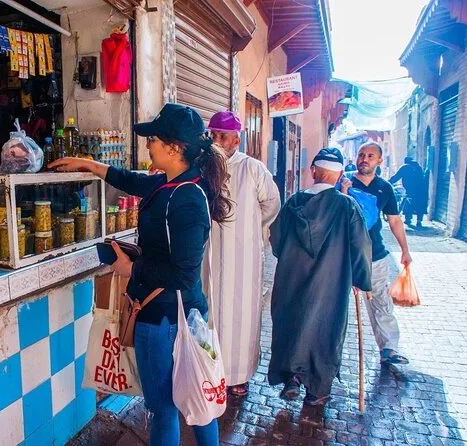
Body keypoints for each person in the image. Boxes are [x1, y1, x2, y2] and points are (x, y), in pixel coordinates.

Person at [49, 103, 232, 446]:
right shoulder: (173, 182)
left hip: (165, 318)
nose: (147, 145)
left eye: (153, 140)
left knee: (164, 409)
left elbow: (184, 273)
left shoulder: (186, 198)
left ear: (174, 148)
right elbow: (131, 181)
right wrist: (89, 165)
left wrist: (130, 267)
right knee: (198, 398)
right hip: (178, 313)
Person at [268, 148, 372, 406]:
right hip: (331, 282)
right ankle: (317, 391)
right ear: (339, 175)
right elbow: (361, 245)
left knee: (291, 322)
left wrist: (290, 257)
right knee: (325, 329)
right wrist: (361, 279)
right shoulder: (346, 206)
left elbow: (276, 239)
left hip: (291, 278)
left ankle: (292, 377)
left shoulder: (294, 202)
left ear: (313, 171)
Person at [206, 111, 280, 397]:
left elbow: (271, 205)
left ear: (236, 139)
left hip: (245, 257)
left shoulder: (253, 168)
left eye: (222, 136)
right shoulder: (204, 168)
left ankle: (239, 376)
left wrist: (250, 227)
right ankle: (210, 371)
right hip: (211, 253)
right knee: (212, 310)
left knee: (243, 314)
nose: (216, 141)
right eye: (213, 135)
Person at [341, 142, 412, 366]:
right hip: (343, 255)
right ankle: (327, 353)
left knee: (381, 301)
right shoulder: (343, 182)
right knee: (335, 303)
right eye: (361, 154)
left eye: (370, 156)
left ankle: (389, 348)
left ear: (379, 161)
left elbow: (394, 220)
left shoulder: (384, 188)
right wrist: (343, 192)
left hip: (375, 255)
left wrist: (405, 249)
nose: (364, 159)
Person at [389, 156, 428, 228]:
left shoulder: (405, 167)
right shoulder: (418, 167)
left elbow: (396, 177)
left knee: (408, 203)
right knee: (419, 204)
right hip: (421, 189)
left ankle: (408, 219)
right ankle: (419, 221)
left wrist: (388, 183)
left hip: (410, 189)